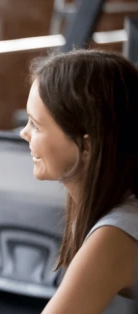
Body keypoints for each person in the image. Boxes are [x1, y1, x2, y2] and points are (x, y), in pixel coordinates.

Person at [20, 49, 138, 313]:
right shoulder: (111, 206)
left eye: (36, 125)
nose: (23, 133)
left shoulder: (115, 235)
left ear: (86, 147)